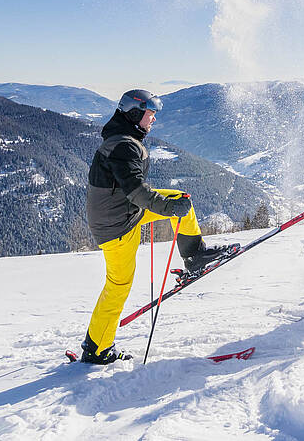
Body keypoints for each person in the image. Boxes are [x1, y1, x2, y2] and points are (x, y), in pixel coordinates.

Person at [82, 89, 236, 364]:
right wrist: (165, 208)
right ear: (134, 114)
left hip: (123, 212)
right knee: (118, 285)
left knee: (182, 201)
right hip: (117, 226)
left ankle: (195, 256)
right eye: (150, 114)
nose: (153, 120)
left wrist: (169, 206)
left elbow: (134, 193)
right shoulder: (123, 145)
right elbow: (136, 191)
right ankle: (97, 349)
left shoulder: (124, 140)